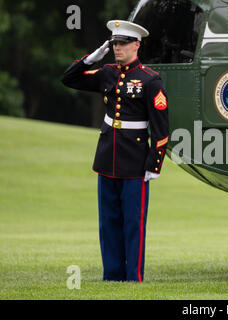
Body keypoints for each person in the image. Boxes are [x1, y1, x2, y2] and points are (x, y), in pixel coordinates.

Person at [61, 20, 169, 282]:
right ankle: (112, 275)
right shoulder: (107, 72)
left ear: (136, 45)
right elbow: (68, 78)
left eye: (122, 44)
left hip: (134, 162)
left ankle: (133, 277)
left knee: (133, 223)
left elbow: (161, 129)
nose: (117, 49)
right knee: (108, 223)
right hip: (107, 157)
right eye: (114, 44)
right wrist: (92, 58)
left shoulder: (150, 80)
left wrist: (153, 166)